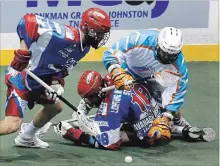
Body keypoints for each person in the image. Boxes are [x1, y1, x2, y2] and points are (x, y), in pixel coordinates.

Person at [0, 8, 111, 149]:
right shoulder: (67, 36)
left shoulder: (84, 48)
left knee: (56, 107)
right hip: (21, 78)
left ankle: (26, 138)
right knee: (12, 124)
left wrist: (55, 85)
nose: (102, 37)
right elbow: (28, 20)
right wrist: (23, 52)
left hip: (38, 80)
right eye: (99, 33)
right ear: (87, 28)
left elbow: (60, 70)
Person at [53, 70, 173, 150]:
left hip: (149, 136)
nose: (87, 101)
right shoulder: (113, 77)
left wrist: (73, 134)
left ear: (100, 91)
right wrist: (81, 112)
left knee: (117, 135)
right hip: (158, 114)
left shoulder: (110, 110)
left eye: (90, 97)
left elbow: (110, 144)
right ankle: (178, 124)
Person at [102, 27, 190, 130]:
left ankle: (178, 121)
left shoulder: (180, 67)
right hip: (128, 70)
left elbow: (176, 95)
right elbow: (110, 53)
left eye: (172, 56)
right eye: (164, 53)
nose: (167, 59)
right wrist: (117, 73)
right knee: (108, 85)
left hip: (154, 78)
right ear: (157, 44)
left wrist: (166, 117)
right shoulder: (139, 40)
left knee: (160, 105)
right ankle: (85, 107)